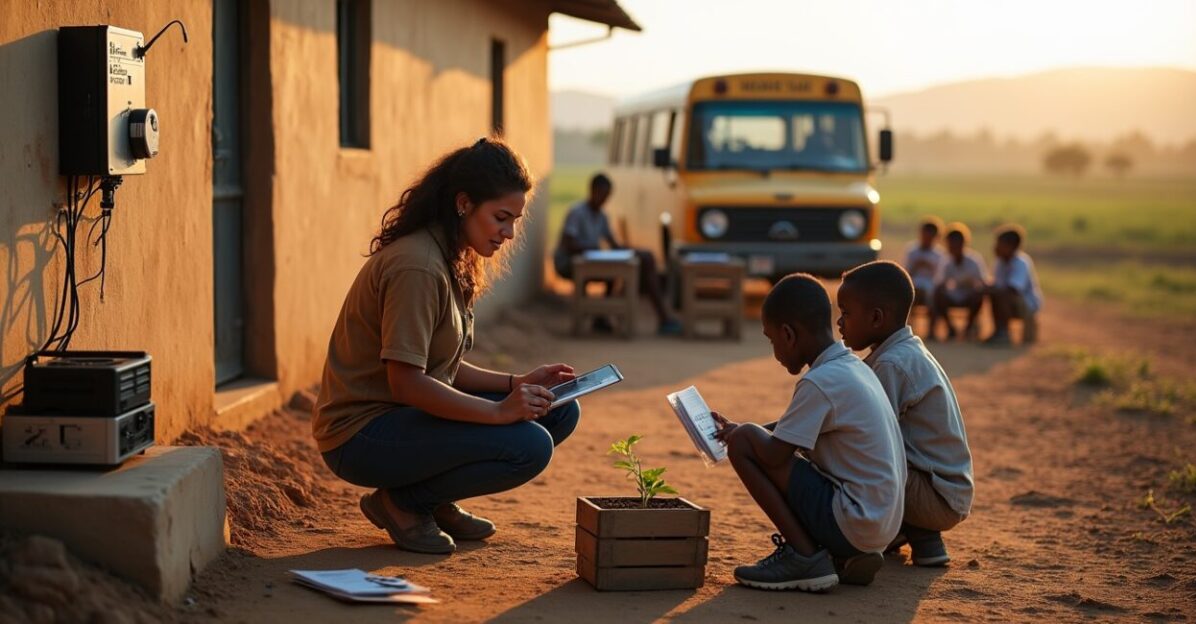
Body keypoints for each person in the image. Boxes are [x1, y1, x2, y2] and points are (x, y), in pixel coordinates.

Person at [312, 138, 581, 555]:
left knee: (558, 408)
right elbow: (407, 384)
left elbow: (445, 366)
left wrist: (514, 384)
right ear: (463, 204)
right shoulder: (418, 266)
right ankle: (403, 502)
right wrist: (497, 411)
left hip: (406, 416)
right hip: (362, 435)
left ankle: (429, 498)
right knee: (529, 445)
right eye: (500, 218)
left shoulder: (451, 255)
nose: (509, 233)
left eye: (515, 220)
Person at [711, 274, 905, 591]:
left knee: (746, 442)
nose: (774, 349)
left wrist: (742, 435)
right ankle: (842, 557)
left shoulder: (820, 381)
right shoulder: (850, 367)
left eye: (772, 340)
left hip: (854, 521)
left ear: (788, 335)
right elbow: (794, 430)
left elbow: (774, 453)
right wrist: (747, 429)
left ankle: (804, 557)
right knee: (749, 434)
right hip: (879, 527)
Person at [837, 261, 974, 567]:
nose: (839, 322)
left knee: (841, 453)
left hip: (934, 497)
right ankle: (911, 534)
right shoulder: (903, 351)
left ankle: (920, 534)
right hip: (944, 491)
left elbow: (860, 433)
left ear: (876, 318)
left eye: (846, 313)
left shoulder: (892, 365)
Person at [553, 173, 682, 335]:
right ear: (592, 191)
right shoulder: (577, 212)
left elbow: (614, 245)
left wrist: (635, 252)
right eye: (601, 194)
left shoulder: (602, 216)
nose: (604, 200)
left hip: (591, 260)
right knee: (609, 272)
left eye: (607, 196)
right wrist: (592, 250)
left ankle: (601, 316)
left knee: (618, 272)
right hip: (569, 262)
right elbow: (568, 244)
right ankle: (594, 315)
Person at [985, 225, 1043, 345]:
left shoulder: (1021, 262)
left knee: (1001, 295)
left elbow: (1013, 290)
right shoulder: (1000, 262)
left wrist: (991, 289)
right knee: (995, 294)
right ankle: (999, 331)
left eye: (999, 244)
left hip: (1027, 304)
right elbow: (997, 285)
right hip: (1013, 301)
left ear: (1011, 247)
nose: (995, 247)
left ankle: (1004, 333)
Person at [932, 223, 988, 341]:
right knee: (937, 293)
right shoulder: (946, 261)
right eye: (950, 244)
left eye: (956, 244)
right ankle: (951, 328)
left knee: (979, 293)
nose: (953, 247)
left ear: (963, 244)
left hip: (969, 295)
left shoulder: (974, 261)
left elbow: (982, 282)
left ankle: (968, 328)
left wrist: (976, 287)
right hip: (954, 294)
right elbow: (940, 283)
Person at [904, 217, 945, 338]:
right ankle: (908, 329)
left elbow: (941, 276)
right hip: (915, 283)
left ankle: (932, 330)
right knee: (911, 292)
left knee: (935, 294)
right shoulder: (912, 251)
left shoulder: (939, 254)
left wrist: (930, 267)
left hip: (931, 285)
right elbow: (906, 272)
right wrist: (917, 266)